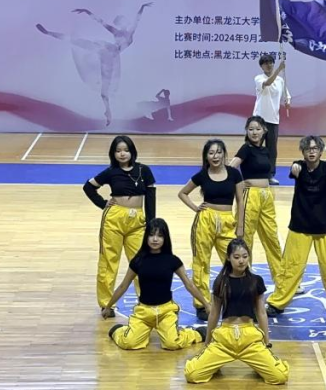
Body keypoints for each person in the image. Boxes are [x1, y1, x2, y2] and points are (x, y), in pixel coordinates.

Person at [266, 135, 326, 320]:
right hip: (300, 226)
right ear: (303, 152)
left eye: (315, 149)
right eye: (308, 149)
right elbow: (294, 169)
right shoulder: (299, 166)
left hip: (324, 228)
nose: (311, 152)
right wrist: (294, 168)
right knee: (291, 267)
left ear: (320, 152)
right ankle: (277, 303)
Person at [184, 239, 290, 385]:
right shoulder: (221, 281)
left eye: (245, 256)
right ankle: (214, 364)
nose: (241, 261)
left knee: (280, 376)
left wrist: (267, 342)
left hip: (250, 337)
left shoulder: (256, 281)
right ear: (228, 258)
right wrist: (207, 342)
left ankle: (259, 366)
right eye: (237, 257)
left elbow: (261, 313)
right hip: (225, 338)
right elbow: (214, 313)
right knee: (192, 375)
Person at [36, 3, 151, 126]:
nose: (123, 23)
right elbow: (101, 22)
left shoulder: (129, 32)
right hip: (106, 50)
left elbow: (137, 19)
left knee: (104, 90)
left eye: (124, 21)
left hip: (110, 56)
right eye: (121, 21)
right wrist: (87, 11)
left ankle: (108, 111)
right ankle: (48, 33)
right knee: (79, 42)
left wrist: (142, 7)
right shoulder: (115, 31)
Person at [103, 218, 208, 350]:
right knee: (128, 343)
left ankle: (197, 334)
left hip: (166, 311)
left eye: (159, 236)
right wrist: (108, 306)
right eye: (151, 235)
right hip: (144, 312)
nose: (155, 239)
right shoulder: (138, 261)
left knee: (172, 344)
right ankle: (118, 331)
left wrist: (206, 304)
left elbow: (189, 285)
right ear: (146, 237)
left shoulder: (172, 260)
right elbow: (123, 286)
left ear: (165, 238)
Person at [83, 135, 155, 317]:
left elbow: (151, 197)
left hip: (138, 221)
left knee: (141, 262)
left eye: (126, 150)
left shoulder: (144, 170)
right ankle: (106, 304)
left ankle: (146, 301)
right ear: (113, 154)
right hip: (113, 219)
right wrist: (102, 204)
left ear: (132, 152)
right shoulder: (111, 172)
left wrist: (151, 223)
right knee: (109, 261)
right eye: (118, 151)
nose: (122, 154)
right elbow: (88, 187)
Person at [179, 139, 245, 320]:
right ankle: (202, 304)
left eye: (218, 152)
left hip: (227, 221)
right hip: (204, 221)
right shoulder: (202, 175)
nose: (215, 156)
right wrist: (196, 208)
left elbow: (240, 201)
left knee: (235, 260)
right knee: (201, 262)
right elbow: (182, 193)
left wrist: (240, 226)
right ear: (206, 156)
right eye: (211, 153)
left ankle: (238, 300)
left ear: (224, 154)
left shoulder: (234, 173)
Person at [231, 116, 283, 281]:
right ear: (246, 131)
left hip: (266, 196)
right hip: (250, 196)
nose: (254, 132)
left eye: (258, 129)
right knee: (246, 238)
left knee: (272, 237)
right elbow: (231, 167)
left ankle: (281, 279)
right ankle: (243, 277)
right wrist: (240, 184)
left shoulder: (266, 150)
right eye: (251, 129)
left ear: (264, 131)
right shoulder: (246, 149)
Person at [253, 54, 291, 185]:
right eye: (265, 63)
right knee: (255, 148)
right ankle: (253, 173)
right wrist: (279, 69)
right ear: (261, 66)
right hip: (259, 120)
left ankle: (269, 175)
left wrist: (288, 102)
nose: (268, 65)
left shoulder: (280, 80)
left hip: (273, 120)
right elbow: (268, 83)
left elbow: (286, 95)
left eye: (270, 62)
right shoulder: (259, 78)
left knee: (272, 150)